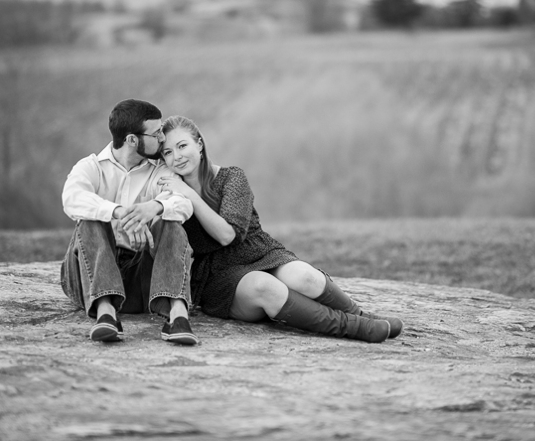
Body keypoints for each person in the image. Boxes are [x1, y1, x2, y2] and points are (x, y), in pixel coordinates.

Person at [156, 115, 404, 344]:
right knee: (266, 287)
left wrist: (191, 194)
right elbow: (214, 239)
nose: (176, 156)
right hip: (217, 274)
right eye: (167, 152)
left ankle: (360, 315)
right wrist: (184, 194)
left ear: (199, 144)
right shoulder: (172, 193)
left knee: (306, 277)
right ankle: (355, 327)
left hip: (259, 252)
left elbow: (228, 233)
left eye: (182, 146)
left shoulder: (232, 178)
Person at [60, 99, 199, 345]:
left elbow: (184, 203)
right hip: (88, 279)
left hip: (141, 281)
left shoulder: (159, 171)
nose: (163, 139)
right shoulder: (91, 167)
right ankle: (106, 314)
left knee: (170, 221)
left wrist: (154, 207)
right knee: (90, 218)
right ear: (133, 140)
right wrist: (119, 213)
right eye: (157, 134)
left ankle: (178, 315)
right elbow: (72, 199)